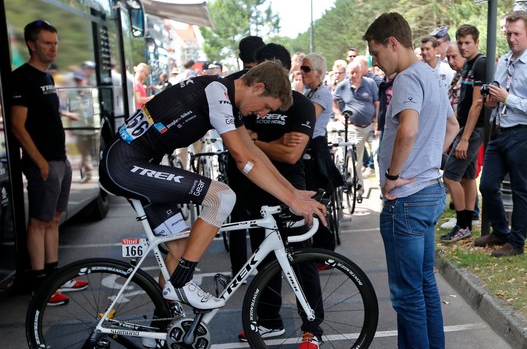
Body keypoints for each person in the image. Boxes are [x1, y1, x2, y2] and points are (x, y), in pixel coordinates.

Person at [99, 60, 326, 310]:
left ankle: (161, 325)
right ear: (258, 87)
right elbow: (243, 160)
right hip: (123, 165)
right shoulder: (217, 93)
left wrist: (293, 192)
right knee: (221, 197)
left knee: (180, 247)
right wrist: (291, 201)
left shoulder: (227, 96)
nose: (262, 115)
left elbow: (255, 153)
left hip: (136, 164)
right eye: (266, 107)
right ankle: (182, 282)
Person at [363, 11, 459, 348]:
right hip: (429, 189)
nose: (375, 61)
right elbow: (452, 127)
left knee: (407, 296)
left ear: (392, 43)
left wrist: (393, 176)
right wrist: (429, 162)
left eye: (375, 52)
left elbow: (409, 130)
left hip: (407, 197)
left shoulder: (405, 78)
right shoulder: (429, 74)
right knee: (423, 285)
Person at [225, 44, 323, 347]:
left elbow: (292, 154)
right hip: (249, 191)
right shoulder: (245, 99)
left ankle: (312, 328)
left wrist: (254, 140)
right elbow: (236, 146)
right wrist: (262, 142)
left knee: (301, 259)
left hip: (287, 190)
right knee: (263, 258)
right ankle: (269, 321)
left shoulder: (301, 106)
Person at [10, 19, 87, 306]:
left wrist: (62, 159)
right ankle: (40, 286)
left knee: (54, 220)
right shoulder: (22, 78)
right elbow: (17, 127)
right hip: (42, 162)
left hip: (59, 159)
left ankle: (55, 277)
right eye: (47, 43)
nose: (53, 48)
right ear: (32, 44)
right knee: (39, 222)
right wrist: (40, 161)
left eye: (55, 43)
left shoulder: (48, 77)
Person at [474, 11, 527, 257]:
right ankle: (501, 231)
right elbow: (498, 93)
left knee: (520, 189)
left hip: (523, 133)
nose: (511, 38)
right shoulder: (504, 60)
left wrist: (508, 98)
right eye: (508, 33)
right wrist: (493, 100)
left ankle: (516, 243)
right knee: (487, 184)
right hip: (500, 129)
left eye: (516, 34)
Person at [440, 24, 487, 243]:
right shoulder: (468, 65)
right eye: (460, 42)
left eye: (467, 42)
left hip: (472, 130)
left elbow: (477, 104)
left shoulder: (481, 63)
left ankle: (462, 224)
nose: (463, 46)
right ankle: (467, 223)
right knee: (468, 178)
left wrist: (465, 139)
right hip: (463, 127)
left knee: (450, 176)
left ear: (477, 42)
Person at [301, 52, 344, 251]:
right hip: (309, 148)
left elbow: (307, 118)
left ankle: (325, 251)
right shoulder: (308, 92)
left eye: (306, 68)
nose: (302, 72)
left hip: (316, 149)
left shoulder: (322, 94)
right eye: (301, 68)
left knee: (318, 202)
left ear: (318, 72)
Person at [332, 60, 379, 197]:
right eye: (351, 72)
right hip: (354, 128)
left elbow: (377, 104)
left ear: (361, 72)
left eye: (356, 72)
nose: (354, 75)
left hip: (371, 126)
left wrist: (377, 122)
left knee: (377, 156)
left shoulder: (369, 83)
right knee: (356, 161)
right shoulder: (342, 86)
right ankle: (359, 189)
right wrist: (339, 116)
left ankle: (382, 189)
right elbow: (334, 101)